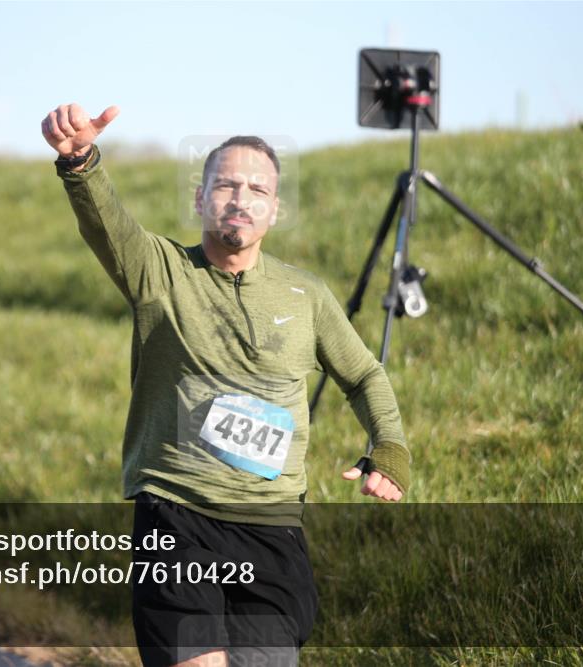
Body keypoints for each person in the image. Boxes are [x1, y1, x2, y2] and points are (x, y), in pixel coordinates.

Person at [43, 102, 410, 667]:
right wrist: (81, 163)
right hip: (178, 513)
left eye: (257, 189)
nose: (241, 199)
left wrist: (389, 449)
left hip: (272, 526)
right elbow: (106, 223)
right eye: (226, 185)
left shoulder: (305, 295)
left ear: (274, 209)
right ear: (200, 198)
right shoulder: (159, 271)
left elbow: (363, 374)